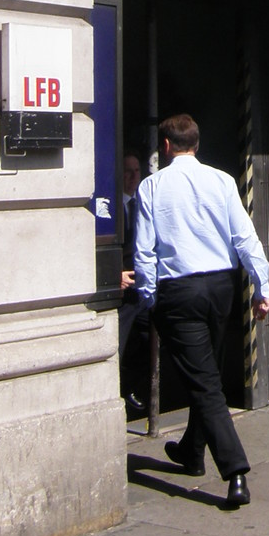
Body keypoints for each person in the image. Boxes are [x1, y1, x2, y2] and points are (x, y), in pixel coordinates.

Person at [133, 113, 269, 508]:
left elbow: (144, 252)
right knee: (205, 370)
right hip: (220, 288)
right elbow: (245, 237)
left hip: (179, 292)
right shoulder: (222, 181)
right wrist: (262, 288)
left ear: (165, 147)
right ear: (196, 143)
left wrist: (148, 298)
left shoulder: (152, 186)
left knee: (205, 382)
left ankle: (235, 470)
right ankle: (192, 452)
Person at [117, 151, 149, 420]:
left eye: (136, 172)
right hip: (121, 291)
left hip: (144, 288)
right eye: (127, 172)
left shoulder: (146, 205)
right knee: (120, 344)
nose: (132, 177)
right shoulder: (110, 208)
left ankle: (134, 388)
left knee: (149, 340)